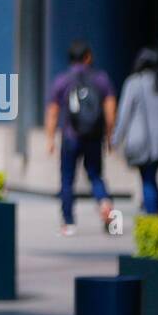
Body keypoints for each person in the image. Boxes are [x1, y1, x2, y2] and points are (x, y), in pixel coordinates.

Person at [45, 40, 117, 235]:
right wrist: (109, 135)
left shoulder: (62, 80)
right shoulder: (101, 79)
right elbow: (110, 108)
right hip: (94, 136)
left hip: (70, 136)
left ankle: (68, 224)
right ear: (88, 57)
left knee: (67, 179)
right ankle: (105, 203)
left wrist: (50, 138)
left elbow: (52, 111)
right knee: (95, 175)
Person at [111, 48, 158, 216]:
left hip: (142, 141)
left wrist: (115, 139)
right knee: (152, 177)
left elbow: (124, 114)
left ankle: (152, 216)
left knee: (147, 180)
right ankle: (155, 213)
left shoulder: (134, 83)